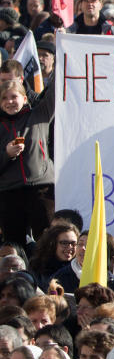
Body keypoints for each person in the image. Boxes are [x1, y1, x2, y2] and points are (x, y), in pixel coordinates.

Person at [0, 78, 53, 245]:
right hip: (10, 193)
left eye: (14, 97)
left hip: (41, 189)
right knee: (13, 244)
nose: (9, 102)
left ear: (24, 98)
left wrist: (64, 56)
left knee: (46, 241)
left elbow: (57, 87)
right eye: (4, 98)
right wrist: (6, 154)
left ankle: (46, 272)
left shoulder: (40, 114)